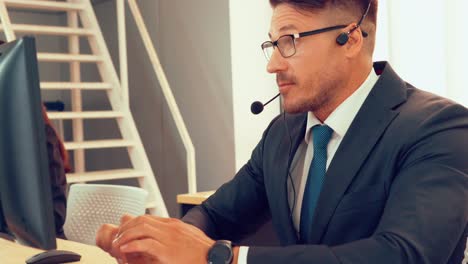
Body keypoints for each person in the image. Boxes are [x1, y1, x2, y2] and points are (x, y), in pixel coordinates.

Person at [96, 0, 468, 263]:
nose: (273, 64)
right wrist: (159, 245)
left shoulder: (439, 128)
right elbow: (216, 214)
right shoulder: (284, 132)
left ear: (350, 38)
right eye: (272, 44)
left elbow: (403, 255)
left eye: (289, 41)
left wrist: (220, 258)